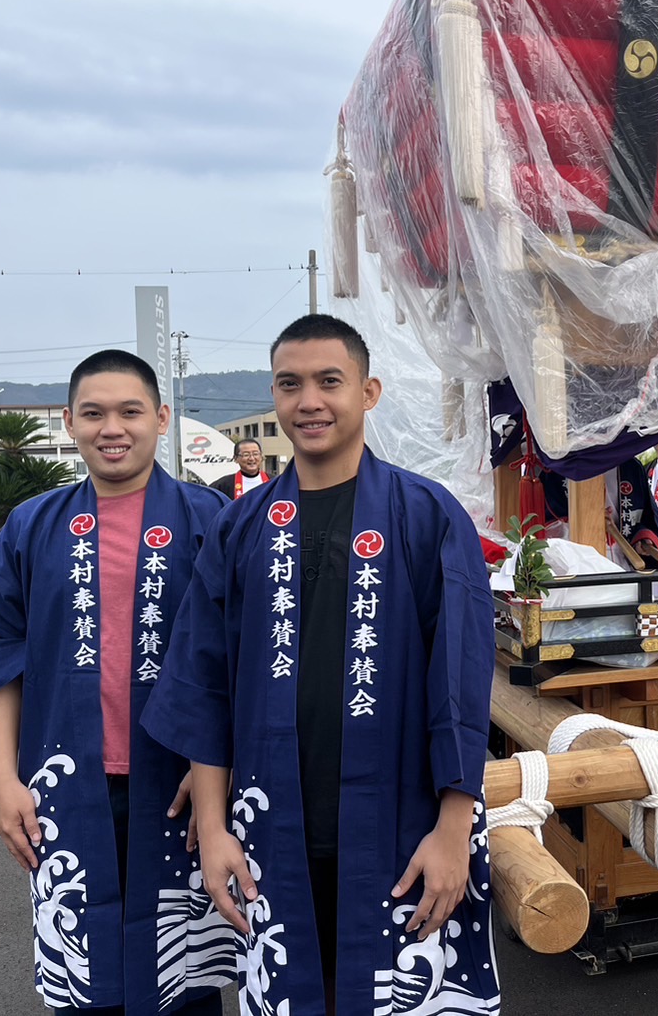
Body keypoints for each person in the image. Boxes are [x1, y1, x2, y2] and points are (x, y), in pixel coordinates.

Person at [142, 314, 499, 1016]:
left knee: (397, 993)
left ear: (368, 391)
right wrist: (212, 828)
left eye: (328, 381)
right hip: (273, 824)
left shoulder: (425, 515)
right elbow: (203, 685)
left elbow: (458, 683)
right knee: (297, 992)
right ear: (274, 398)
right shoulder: (240, 527)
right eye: (290, 383)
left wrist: (453, 828)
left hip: (402, 820)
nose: (309, 400)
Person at [0, 350, 238, 1014]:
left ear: (160, 418)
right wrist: (1, 777)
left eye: (130, 411)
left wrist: (219, 764)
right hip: (64, 784)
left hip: (182, 781)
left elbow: (248, 656)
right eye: (95, 413)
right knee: (86, 979)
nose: (114, 427)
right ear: (70, 423)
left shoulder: (209, 519)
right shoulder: (33, 526)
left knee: (182, 976)